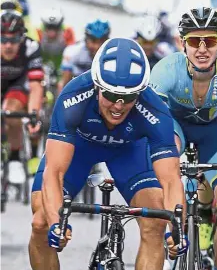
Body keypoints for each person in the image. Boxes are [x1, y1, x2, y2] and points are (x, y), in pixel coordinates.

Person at [28, 38, 186, 270]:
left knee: (156, 222)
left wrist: (177, 229)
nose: (118, 106)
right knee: (41, 222)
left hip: (129, 151)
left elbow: (171, 181)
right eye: (111, 95)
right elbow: (54, 172)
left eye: (129, 97)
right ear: (97, 86)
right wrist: (56, 223)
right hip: (79, 149)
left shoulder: (155, 110)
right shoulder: (74, 96)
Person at [150, 7, 217, 270]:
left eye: (211, 41)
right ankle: (170, 243)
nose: (202, 49)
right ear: (183, 43)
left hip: (213, 133)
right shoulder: (165, 70)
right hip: (175, 127)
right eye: (195, 41)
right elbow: (154, 129)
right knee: (167, 170)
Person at [1, 10, 44, 184]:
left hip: (19, 84)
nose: (8, 46)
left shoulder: (31, 47)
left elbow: (35, 87)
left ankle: (14, 158)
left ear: (22, 37)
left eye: (14, 39)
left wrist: (34, 115)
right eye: (3, 39)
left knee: (11, 110)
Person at [57, 19, 110, 94]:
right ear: (86, 39)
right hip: (77, 88)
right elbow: (64, 83)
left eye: (101, 41)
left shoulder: (111, 54)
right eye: (93, 41)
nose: (97, 46)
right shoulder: (72, 52)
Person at [37, 8, 75, 75]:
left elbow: (72, 53)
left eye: (55, 28)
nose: (52, 32)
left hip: (60, 62)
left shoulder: (68, 32)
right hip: (42, 60)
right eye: (49, 27)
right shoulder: (38, 31)